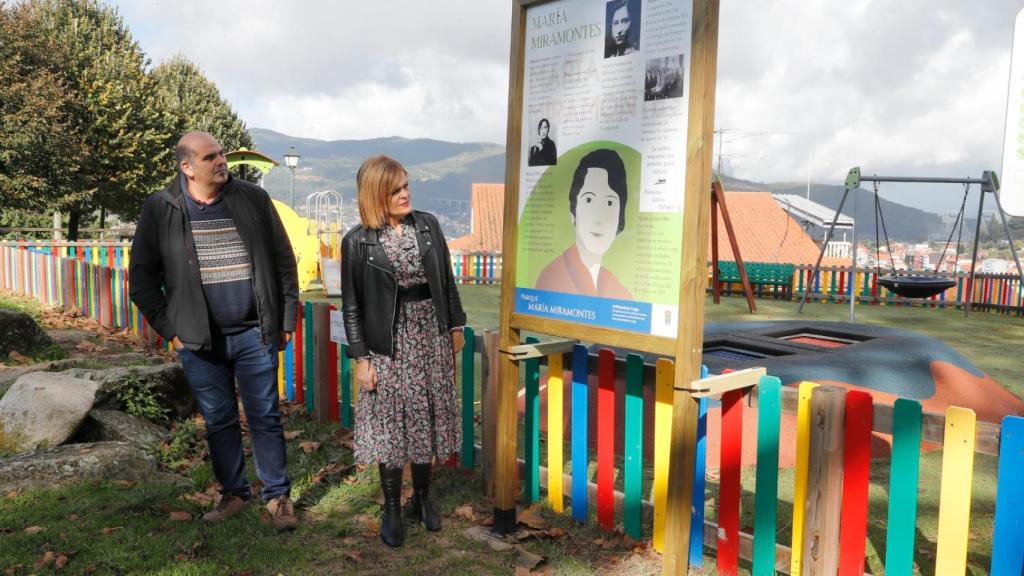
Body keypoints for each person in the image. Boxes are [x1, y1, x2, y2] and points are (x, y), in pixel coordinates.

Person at [129, 131, 299, 531]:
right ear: (187, 167)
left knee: (265, 415)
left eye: (221, 153)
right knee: (219, 419)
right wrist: (171, 329)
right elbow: (141, 280)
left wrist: (286, 318)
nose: (221, 160)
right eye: (211, 157)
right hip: (197, 339)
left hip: (255, 331)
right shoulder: (161, 208)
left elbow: (283, 262)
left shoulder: (252, 199)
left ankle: (278, 497)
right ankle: (234, 494)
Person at [341, 155, 466, 548]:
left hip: (430, 333)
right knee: (392, 424)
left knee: (426, 415)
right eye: (395, 189)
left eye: (406, 186)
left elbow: (446, 279)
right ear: (376, 194)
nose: (405, 194)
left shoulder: (428, 226)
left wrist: (456, 325)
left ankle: (424, 499)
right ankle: (392, 507)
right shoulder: (357, 241)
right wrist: (362, 358)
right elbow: (352, 305)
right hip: (387, 342)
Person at [535, 148, 632, 299]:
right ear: (573, 212)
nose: (598, 218)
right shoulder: (553, 278)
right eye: (588, 199)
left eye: (609, 202)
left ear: (620, 218)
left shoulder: (618, 291)